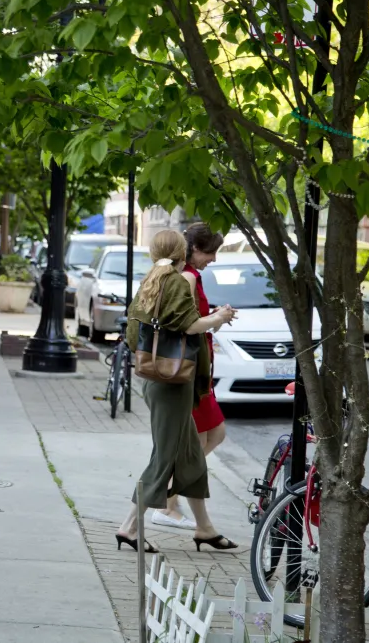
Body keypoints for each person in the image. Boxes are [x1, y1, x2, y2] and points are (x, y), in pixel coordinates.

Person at [115, 229, 238, 554]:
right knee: (164, 459)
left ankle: (204, 528)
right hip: (172, 383)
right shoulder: (177, 281)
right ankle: (128, 528)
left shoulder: (153, 279)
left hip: (159, 381)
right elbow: (188, 324)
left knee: (192, 457)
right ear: (182, 252)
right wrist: (219, 318)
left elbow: (133, 331)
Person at [153, 222, 227, 530]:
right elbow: (186, 323)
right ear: (194, 250)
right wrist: (216, 318)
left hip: (197, 369)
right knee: (194, 445)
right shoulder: (187, 277)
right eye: (210, 252)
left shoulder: (192, 276)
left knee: (212, 435)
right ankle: (171, 505)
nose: (213, 259)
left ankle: (173, 503)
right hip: (190, 371)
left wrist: (216, 319)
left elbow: (195, 321)